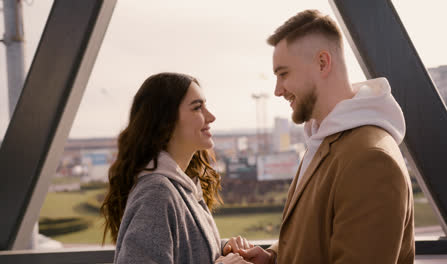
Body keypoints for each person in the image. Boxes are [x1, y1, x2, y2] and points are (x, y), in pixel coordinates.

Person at [240, 10, 415, 264]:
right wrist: (272, 257)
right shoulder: (327, 138)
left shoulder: (370, 160)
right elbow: (315, 231)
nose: (277, 90)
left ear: (323, 63)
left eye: (284, 73)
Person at [101, 72, 253, 264]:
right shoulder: (156, 193)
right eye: (198, 108)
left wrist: (222, 249)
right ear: (166, 120)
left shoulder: (182, 187)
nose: (211, 117)